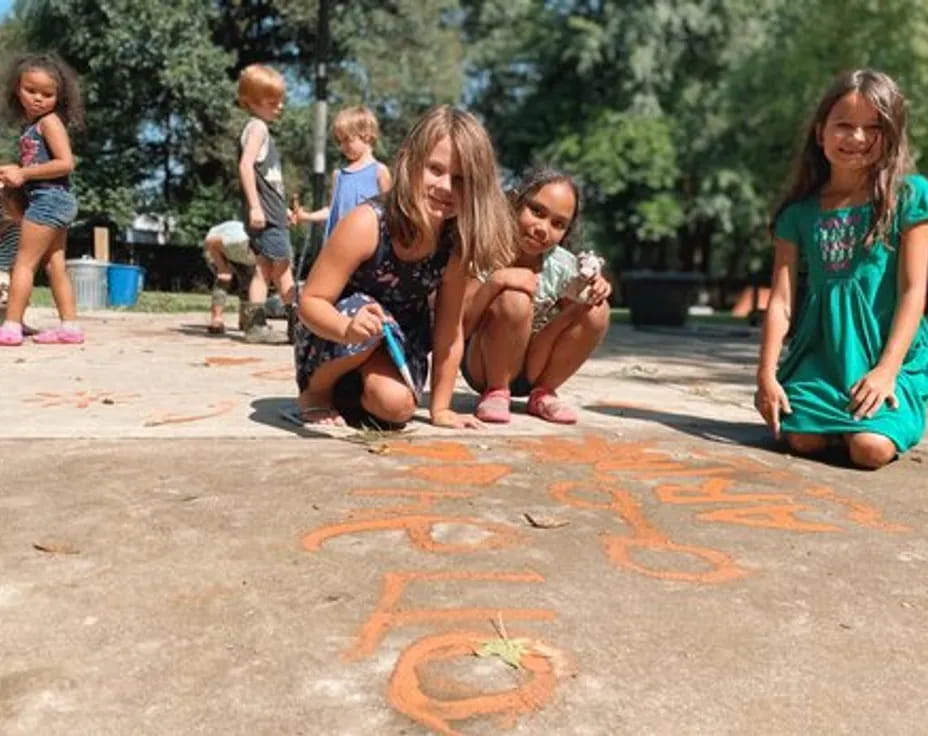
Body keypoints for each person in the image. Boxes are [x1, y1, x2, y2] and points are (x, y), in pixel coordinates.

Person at [292, 105, 516, 427]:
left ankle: (354, 391)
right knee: (366, 314)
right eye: (435, 170)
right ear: (410, 161)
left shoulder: (454, 244)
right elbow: (310, 303)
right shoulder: (367, 223)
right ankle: (317, 392)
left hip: (398, 338)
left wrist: (440, 408)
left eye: (461, 179)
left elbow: (449, 330)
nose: (446, 188)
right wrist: (346, 330)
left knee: (396, 409)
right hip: (332, 333)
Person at [756, 69, 928, 469]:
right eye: (844, 125)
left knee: (869, 450)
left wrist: (886, 371)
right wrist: (766, 374)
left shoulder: (910, 197)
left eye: (873, 127)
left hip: (888, 359)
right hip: (822, 359)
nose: (857, 138)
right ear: (820, 132)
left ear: (893, 134)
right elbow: (781, 302)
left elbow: (914, 290)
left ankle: (897, 408)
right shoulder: (798, 214)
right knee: (802, 441)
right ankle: (832, 415)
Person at [461, 167, 611, 424]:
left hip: (534, 367)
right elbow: (459, 327)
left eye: (558, 224)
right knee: (515, 298)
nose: (543, 229)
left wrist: (592, 291)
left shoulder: (561, 265)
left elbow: (575, 322)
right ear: (515, 202)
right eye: (537, 212)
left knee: (598, 309)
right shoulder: (485, 251)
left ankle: (544, 393)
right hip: (484, 364)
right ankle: (497, 391)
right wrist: (497, 282)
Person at [0, 53, 83, 346]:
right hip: (54, 200)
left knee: (23, 263)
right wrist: (16, 172)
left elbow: (65, 163)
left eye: (47, 94)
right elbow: (37, 167)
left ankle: (10, 327)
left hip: (49, 200)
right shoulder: (30, 127)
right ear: (16, 89)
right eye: (30, 90)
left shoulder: (49, 122)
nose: (38, 99)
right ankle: (70, 327)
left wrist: (23, 173)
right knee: (54, 265)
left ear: (59, 97)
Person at [236, 63, 294, 344]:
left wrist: (283, 211)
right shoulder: (257, 127)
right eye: (273, 102)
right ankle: (302, 326)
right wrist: (256, 207)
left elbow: (269, 181)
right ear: (252, 102)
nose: (279, 107)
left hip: (273, 214)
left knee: (263, 269)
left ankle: (254, 326)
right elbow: (246, 166)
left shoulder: (260, 129)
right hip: (266, 216)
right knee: (284, 270)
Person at [293, 105, 391, 242]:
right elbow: (332, 211)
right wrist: (307, 216)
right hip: (339, 244)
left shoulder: (379, 171)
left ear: (366, 135)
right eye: (339, 141)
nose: (342, 147)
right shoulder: (339, 175)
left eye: (347, 140)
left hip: (367, 245)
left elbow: (390, 212)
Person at [202, 219, 255, 334]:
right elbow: (212, 242)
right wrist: (221, 266)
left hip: (239, 252)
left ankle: (245, 320)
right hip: (216, 246)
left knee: (249, 283)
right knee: (224, 279)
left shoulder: (267, 250)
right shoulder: (238, 240)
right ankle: (216, 320)